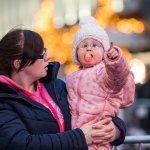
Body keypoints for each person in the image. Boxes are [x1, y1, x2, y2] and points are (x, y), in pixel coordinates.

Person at [0, 27, 126, 150]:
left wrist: (116, 129)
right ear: (18, 64)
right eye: (40, 54)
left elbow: (95, 110)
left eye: (44, 51)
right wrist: (81, 137)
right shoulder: (4, 100)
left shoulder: (57, 86)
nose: (47, 57)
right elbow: (21, 144)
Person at [66, 16, 135, 150]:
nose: (89, 49)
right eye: (84, 45)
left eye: (95, 45)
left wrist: (115, 61)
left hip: (99, 136)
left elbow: (117, 76)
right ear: (76, 52)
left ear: (104, 52)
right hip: (77, 138)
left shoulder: (104, 71)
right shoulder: (71, 77)